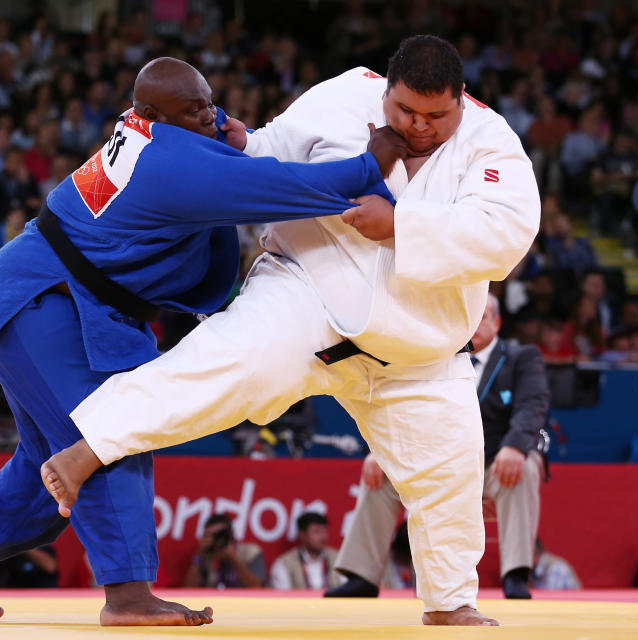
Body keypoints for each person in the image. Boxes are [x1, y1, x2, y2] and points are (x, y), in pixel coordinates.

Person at [43, 36, 540, 626]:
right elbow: (274, 145)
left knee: (450, 471)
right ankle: (89, 446)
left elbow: (507, 235)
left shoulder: (493, 144)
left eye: (437, 115)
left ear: (461, 100)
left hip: (419, 352)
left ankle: (450, 603)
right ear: (386, 88)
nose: (420, 126)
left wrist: (400, 225)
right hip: (309, 289)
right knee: (227, 362)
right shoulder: (344, 94)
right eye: (405, 110)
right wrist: (244, 144)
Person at [0, 57, 403, 628]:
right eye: (194, 110)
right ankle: (127, 596)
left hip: (43, 293)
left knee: (48, 458)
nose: (208, 116)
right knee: (106, 434)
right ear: (151, 113)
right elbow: (286, 187)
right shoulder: (168, 162)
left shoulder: (154, 130)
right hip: (46, 299)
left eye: (208, 103)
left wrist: (226, 124)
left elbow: (206, 125)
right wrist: (373, 162)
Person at [324, 294, 548, 600]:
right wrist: (380, 451)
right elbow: (405, 406)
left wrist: (516, 447)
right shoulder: (435, 354)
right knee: (380, 469)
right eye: (471, 314)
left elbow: (532, 406)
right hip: (439, 459)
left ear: (497, 323)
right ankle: (361, 574)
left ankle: (516, 574)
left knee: (525, 464)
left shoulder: (521, 357)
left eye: (483, 316)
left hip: (493, 461)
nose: (475, 322)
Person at [182, 513, 266, 589]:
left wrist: (234, 558)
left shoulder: (250, 552)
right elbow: (189, 589)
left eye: (220, 535)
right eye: (211, 535)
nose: (216, 539)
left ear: (231, 534)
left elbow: (256, 587)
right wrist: (198, 554)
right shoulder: (205, 556)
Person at [269, 512, 342, 590]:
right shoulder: (284, 563)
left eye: (324, 531)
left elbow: (348, 591)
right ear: (302, 535)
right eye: (316, 532)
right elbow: (282, 598)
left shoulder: (339, 559)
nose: (323, 537)